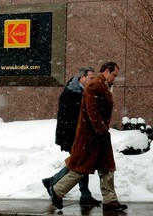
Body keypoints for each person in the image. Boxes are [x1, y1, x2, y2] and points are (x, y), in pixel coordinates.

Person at [50, 62, 128, 212]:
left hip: (98, 136)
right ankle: (57, 190)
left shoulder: (102, 86)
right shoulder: (94, 86)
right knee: (80, 169)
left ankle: (110, 200)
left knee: (107, 168)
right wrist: (102, 131)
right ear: (106, 71)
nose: (114, 78)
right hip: (91, 137)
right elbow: (93, 113)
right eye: (114, 75)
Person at [42, 67, 100, 206]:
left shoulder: (82, 91)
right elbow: (70, 119)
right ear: (82, 77)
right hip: (72, 136)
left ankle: (53, 181)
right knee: (79, 163)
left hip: (79, 135)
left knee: (79, 162)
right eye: (91, 78)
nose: (93, 81)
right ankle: (82, 194)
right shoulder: (71, 93)